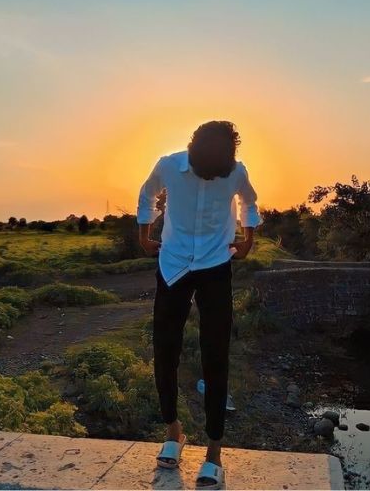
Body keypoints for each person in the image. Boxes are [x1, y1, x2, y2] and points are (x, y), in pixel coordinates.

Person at [137, 120, 261, 489]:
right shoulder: (167, 166)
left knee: (216, 354)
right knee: (165, 349)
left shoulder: (235, 171)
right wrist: (145, 236)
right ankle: (174, 432)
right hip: (173, 264)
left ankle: (214, 454)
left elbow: (249, 203)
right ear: (192, 154)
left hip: (214, 265)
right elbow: (145, 196)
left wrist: (248, 239)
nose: (212, 179)